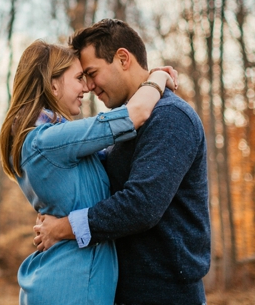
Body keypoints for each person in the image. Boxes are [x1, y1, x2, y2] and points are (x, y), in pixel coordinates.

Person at [33, 19, 211, 305]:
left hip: (165, 294)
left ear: (123, 58)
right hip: (126, 291)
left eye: (91, 73)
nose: (89, 87)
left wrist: (63, 228)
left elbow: (141, 205)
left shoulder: (169, 117)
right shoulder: (124, 127)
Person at [0, 39, 177, 305]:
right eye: (79, 78)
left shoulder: (50, 141)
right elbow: (136, 113)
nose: (86, 87)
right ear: (53, 84)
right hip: (71, 286)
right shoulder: (48, 140)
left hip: (71, 282)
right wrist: (158, 77)